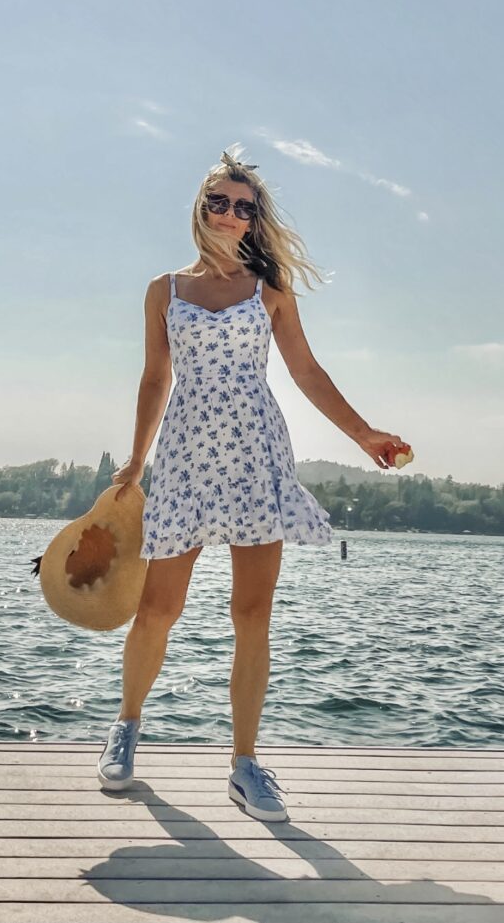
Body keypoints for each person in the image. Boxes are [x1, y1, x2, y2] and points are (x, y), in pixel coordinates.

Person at [96, 144, 406, 822]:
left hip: (255, 456)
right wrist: (133, 462)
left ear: (254, 217)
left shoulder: (270, 290)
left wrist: (367, 435)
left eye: (245, 206)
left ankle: (244, 763)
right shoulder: (164, 290)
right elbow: (155, 378)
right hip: (182, 456)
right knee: (157, 608)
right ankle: (126, 726)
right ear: (200, 209)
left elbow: (307, 372)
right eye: (220, 201)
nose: (232, 214)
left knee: (251, 615)